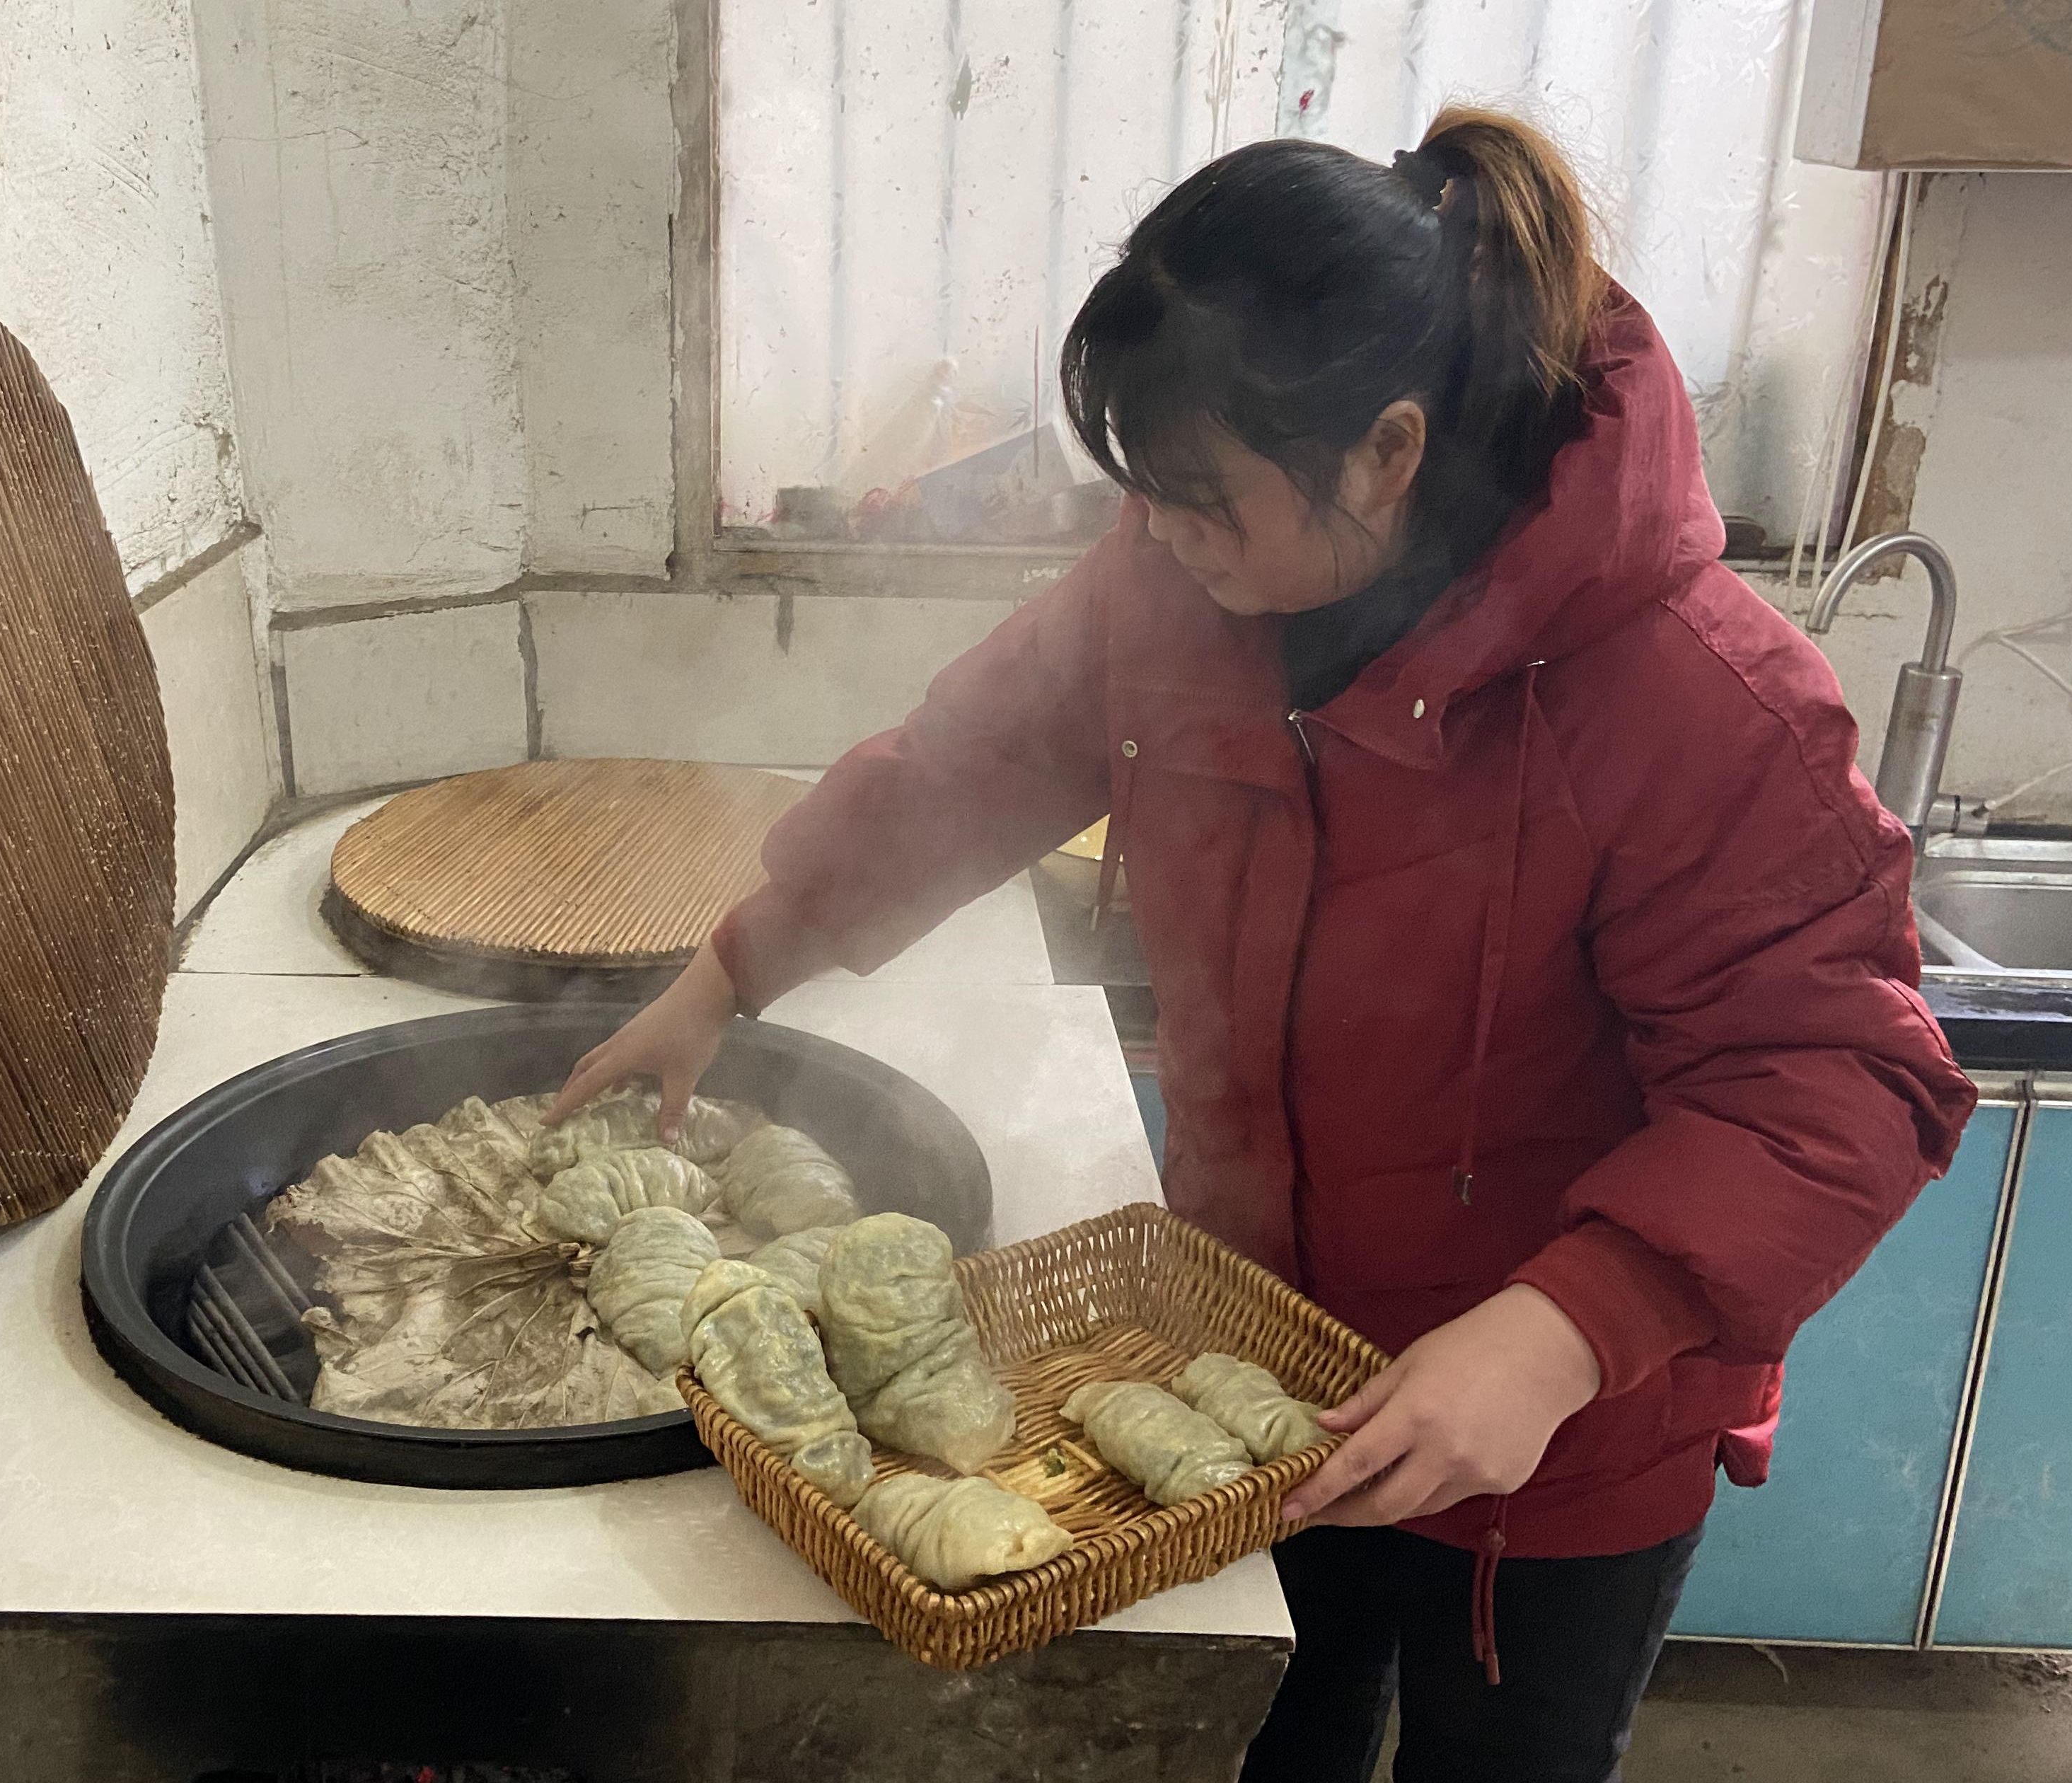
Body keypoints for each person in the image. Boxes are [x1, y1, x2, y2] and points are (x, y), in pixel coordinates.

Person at [550, 108, 1976, 1782]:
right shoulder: (1180, 597)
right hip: (1251, 1341)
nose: (1161, 538)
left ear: (1385, 450)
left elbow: (1839, 1076)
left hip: (1556, 1441)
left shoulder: (1691, 698)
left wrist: (1565, 1329)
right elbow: (959, 776)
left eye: (1204, 498)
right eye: (1143, 493)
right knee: (1272, 1743)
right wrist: (731, 974)